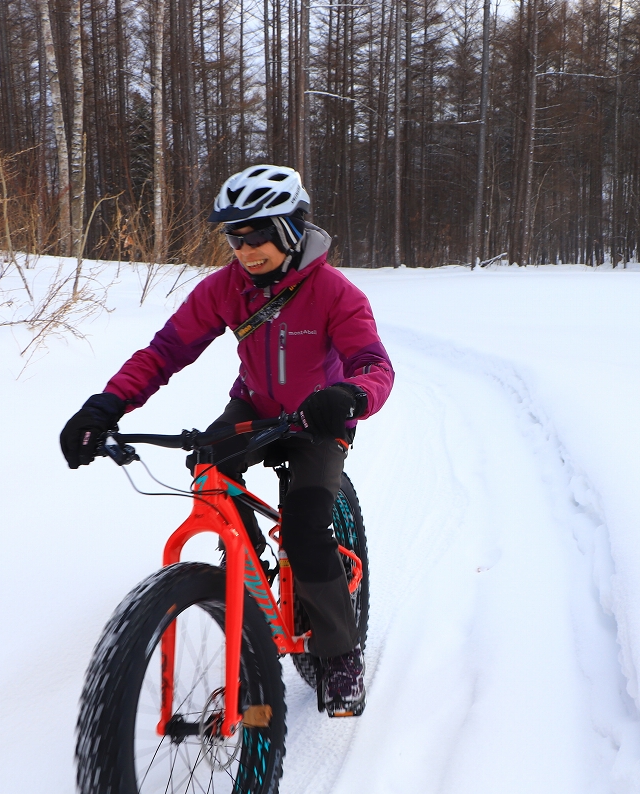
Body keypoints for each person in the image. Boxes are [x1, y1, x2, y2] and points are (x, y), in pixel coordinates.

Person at [60, 164, 393, 717]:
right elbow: (164, 353)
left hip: (320, 417)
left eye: (259, 233)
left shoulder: (337, 294)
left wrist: (350, 397)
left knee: (308, 529)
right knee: (208, 467)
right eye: (235, 236)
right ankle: (246, 563)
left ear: (291, 229)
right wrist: (106, 406)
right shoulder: (224, 290)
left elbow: (373, 364)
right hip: (256, 408)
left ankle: (340, 656)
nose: (245, 248)